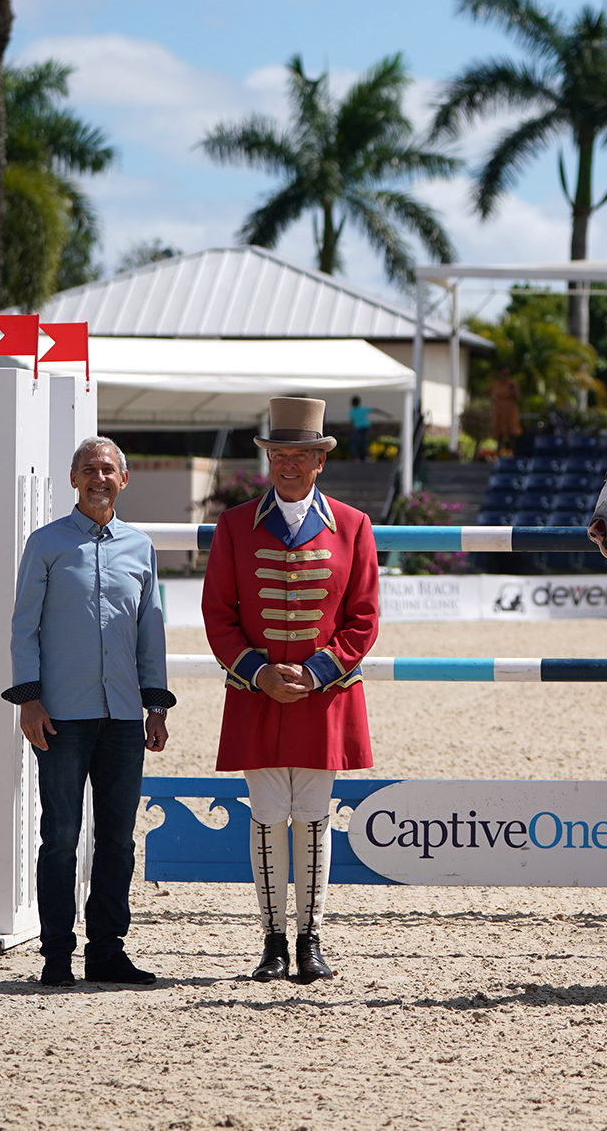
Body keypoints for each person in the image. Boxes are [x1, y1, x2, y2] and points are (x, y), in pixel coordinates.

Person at [203, 397, 379, 984]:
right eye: (279, 453)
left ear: (318, 461)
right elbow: (219, 615)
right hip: (257, 694)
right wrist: (259, 671)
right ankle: (272, 940)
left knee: (313, 816)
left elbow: (363, 618)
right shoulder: (233, 526)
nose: (287, 465)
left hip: (322, 698)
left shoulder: (353, 526)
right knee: (266, 815)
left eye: (299, 455)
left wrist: (318, 672)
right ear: (268, 458)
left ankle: (311, 938)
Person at [4, 437, 174, 987]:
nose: (98, 477)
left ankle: (107, 950)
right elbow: (23, 626)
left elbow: (151, 630)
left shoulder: (141, 547)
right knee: (60, 835)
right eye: (88, 469)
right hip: (59, 715)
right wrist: (28, 698)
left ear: (124, 480)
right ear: (73, 479)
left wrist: (156, 704)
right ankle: (56, 955)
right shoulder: (46, 543)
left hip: (125, 715)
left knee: (118, 838)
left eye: (108, 469)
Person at [489, 367, 522, 455]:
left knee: (512, 433)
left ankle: (514, 454)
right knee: (500, 433)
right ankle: (498, 454)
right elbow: (489, 395)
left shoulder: (512, 384)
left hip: (510, 411)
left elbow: (518, 397)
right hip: (499, 410)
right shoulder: (495, 384)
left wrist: (514, 390)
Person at [347, 396, 377, 462]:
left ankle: (357, 457)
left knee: (354, 442)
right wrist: (386, 414)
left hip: (359, 428)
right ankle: (366, 457)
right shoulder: (362, 409)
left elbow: (352, 421)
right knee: (363, 441)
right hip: (366, 427)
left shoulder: (352, 411)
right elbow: (374, 409)